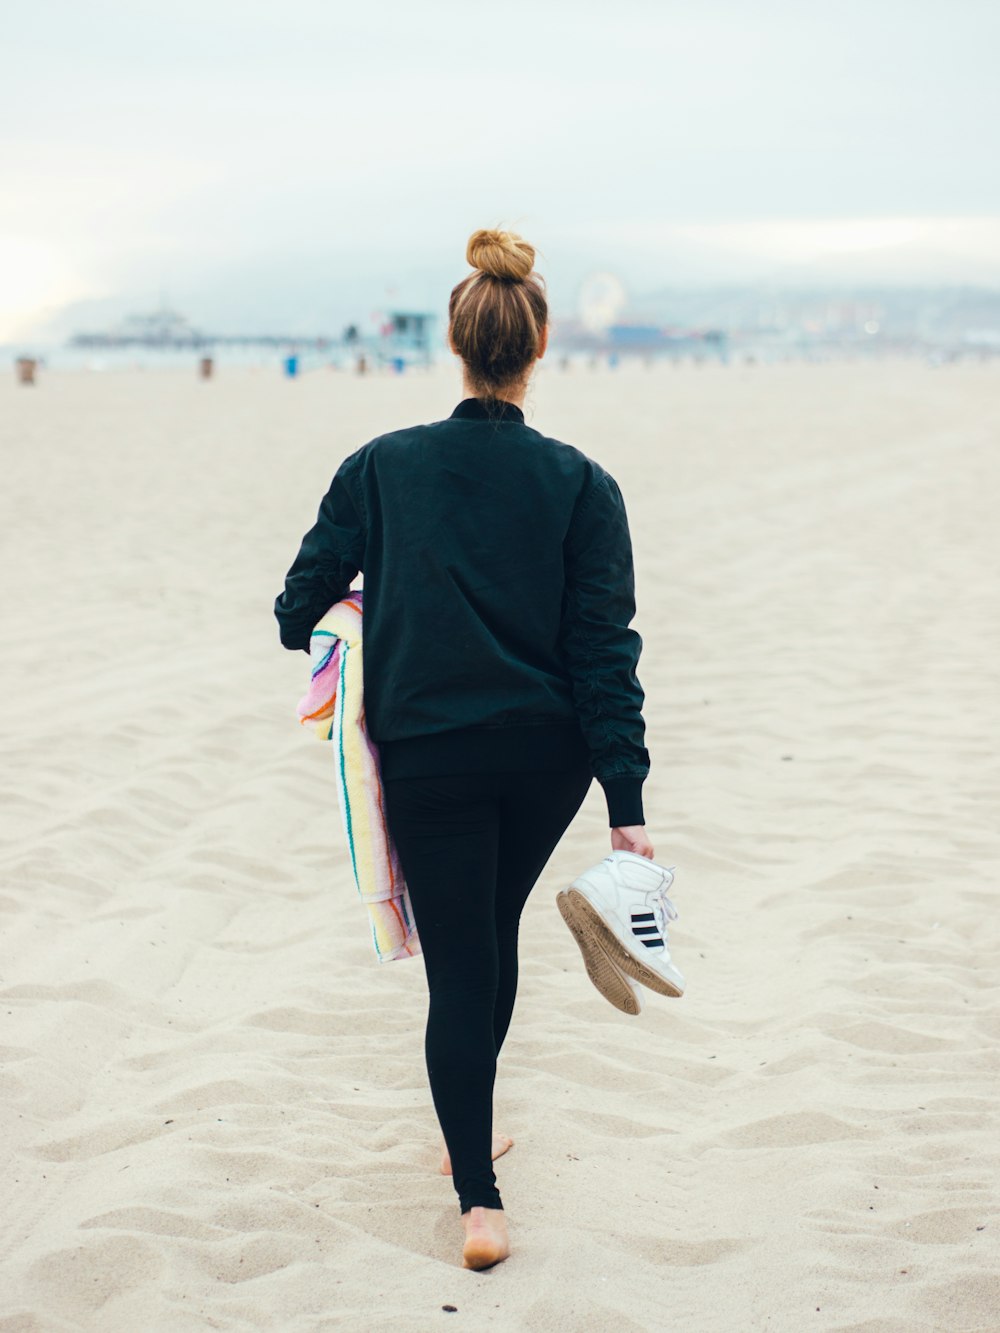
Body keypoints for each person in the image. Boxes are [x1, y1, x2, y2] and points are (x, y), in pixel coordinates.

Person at [274, 228, 652, 1271]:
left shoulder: (382, 468)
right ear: (535, 350)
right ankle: (471, 1136)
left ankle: (478, 1201)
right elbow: (602, 654)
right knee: (489, 932)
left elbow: (295, 607)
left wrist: (380, 609)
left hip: (429, 750)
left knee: (464, 959)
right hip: (547, 762)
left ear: (456, 342)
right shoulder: (582, 484)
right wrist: (626, 805)